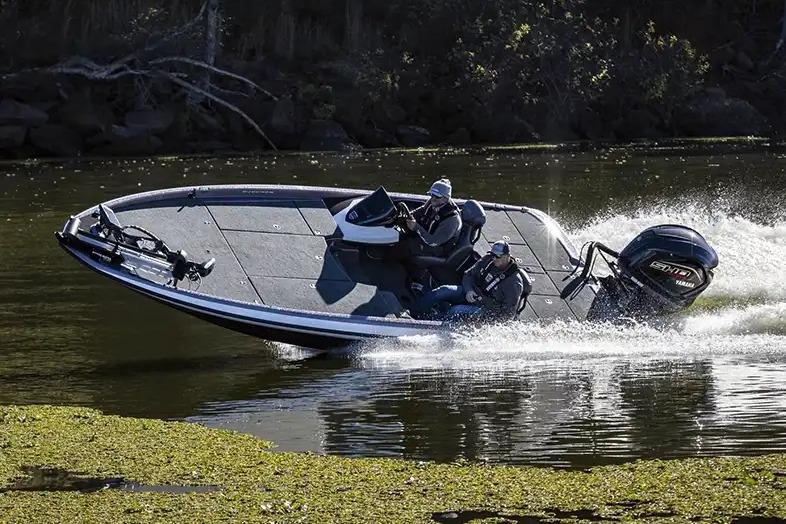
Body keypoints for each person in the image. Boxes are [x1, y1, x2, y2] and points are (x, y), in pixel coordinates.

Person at [415, 240, 531, 320]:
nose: (494, 259)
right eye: (492, 255)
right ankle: (416, 312)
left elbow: (507, 314)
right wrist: (469, 290)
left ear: (507, 257)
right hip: (472, 293)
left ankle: (432, 325)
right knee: (443, 290)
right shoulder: (488, 260)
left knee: (455, 311)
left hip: (486, 309)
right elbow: (469, 274)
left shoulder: (514, 282)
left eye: (497, 257)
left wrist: (485, 319)